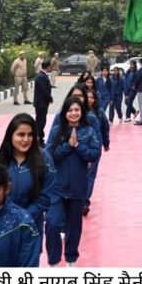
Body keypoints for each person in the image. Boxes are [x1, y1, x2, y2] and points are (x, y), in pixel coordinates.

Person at [45, 97, 101, 267]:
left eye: (77, 110)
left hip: (78, 188)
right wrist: (68, 146)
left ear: (82, 111)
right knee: (52, 223)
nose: (73, 113)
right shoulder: (57, 131)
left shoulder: (89, 131)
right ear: (65, 112)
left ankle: (71, 260)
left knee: (74, 227)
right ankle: (53, 262)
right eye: (70, 110)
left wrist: (78, 146)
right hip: (57, 188)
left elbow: (95, 154)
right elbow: (49, 155)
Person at [0, 113, 57, 235]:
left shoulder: (44, 159)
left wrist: (23, 217)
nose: (26, 139)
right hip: (0, 228)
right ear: (10, 135)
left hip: (30, 227)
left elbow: (47, 194)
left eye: (30, 135)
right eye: (21, 134)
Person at [84, 88, 110, 217]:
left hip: (95, 147)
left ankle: (85, 202)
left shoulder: (99, 113)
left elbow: (105, 128)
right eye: (87, 97)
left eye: (92, 98)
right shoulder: (78, 111)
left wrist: (106, 143)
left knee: (91, 175)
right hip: (81, 147)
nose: (89, 100)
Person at [34, 60, 54, 147]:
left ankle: (39, 139)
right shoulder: (41, 77)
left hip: (42, 103)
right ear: (48, 67)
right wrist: (50, 98)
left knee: (41, 121)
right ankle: (39, 140)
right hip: (41, 103)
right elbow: (44, 90)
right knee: (40, 122)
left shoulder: (42, 75)